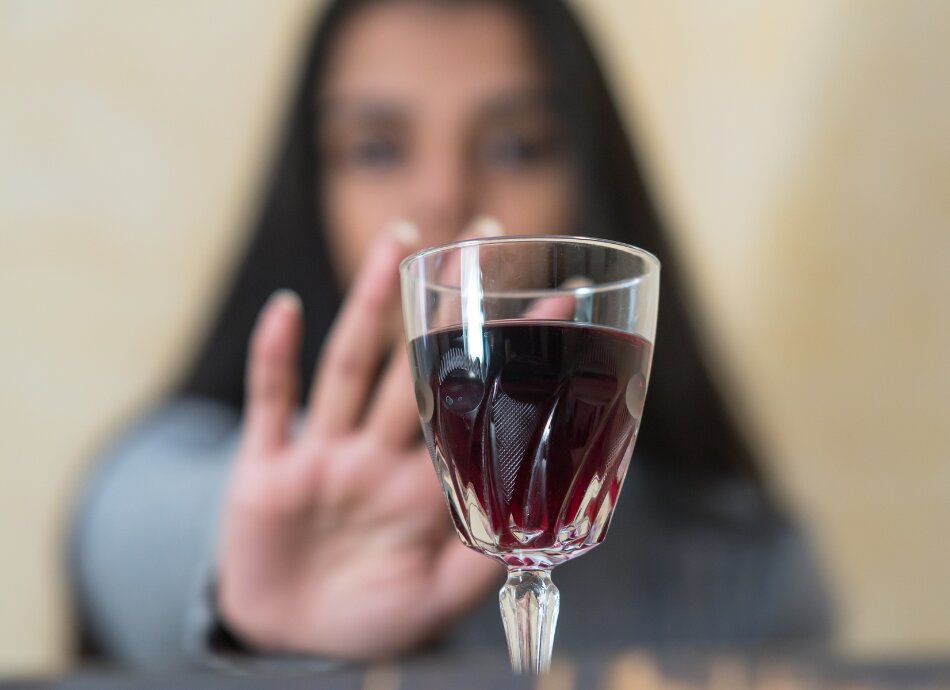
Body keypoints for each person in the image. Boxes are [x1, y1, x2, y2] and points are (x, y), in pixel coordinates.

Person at [70, 0, 831, 669]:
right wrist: (257, 606)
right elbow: (128, 533)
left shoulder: (739, 568)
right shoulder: (157, 481)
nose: (443, 195)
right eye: (377, 148)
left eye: (514, 146)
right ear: (312, 191)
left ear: (590, 181)